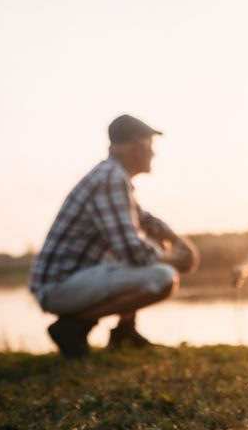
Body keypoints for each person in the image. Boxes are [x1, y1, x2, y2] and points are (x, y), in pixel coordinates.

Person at [29, 114, 199, 357]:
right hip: (58, 287)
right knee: (164, 277)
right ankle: (72, 326)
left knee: (154, 246)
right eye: (150, 146)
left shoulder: (112, 176)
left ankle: (124, 331)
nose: (154, 154)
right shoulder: (110, 178)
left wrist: (177, 240)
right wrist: (175, 260)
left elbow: (145, 221)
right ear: (136, 148)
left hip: (68, 281)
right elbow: (131, 251)